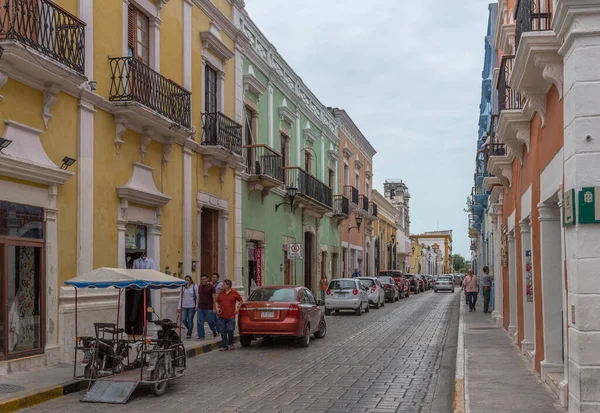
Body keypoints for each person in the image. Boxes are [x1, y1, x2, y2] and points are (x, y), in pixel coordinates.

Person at [215, 279, 242, 351]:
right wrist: (217, 308)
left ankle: (231, 343)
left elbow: (240, 301)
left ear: (228, 285)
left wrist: (237, 308)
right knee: (222, 330)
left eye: (223, 284)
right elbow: (217, 301)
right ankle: (225, 345)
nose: (222, 285)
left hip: (231, 315)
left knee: (230, 330)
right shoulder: (221, 293)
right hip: (222, 315)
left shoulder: (234, 292)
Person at [197, 274, 218, 339]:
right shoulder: (200, 286)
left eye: (204, 279)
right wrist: (197, 306)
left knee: (210, 321)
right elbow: (199, 296)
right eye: (202, 279)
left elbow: (214, 297)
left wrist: (214, 307)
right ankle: (201, 335)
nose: (203, 280)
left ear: (207, 279)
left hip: (209, 307)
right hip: (201, 307)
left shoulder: (211, 287)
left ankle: (214, 330)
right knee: (200, 321)